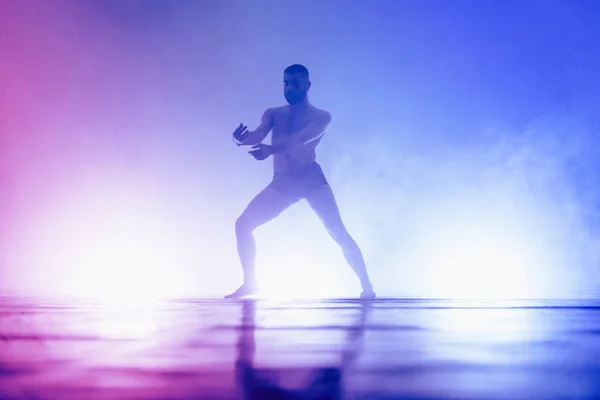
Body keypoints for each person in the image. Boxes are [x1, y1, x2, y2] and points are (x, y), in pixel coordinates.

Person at [226, 64, 375, 300]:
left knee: (337, 231)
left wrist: (269, 150)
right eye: (285, 82)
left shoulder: (322, 117)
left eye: (294, 83)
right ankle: (250, 284)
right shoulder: (274, 114)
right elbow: (257, 134)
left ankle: (367, 286)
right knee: (243, 224)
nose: (288, 87)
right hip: (283, 182)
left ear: (307, 86)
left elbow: (300, 141)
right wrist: (240, 140)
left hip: (310, 178)